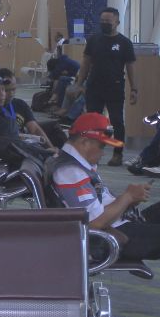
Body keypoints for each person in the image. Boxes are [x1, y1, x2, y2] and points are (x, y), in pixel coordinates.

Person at [49, 112, 160, 261]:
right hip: (113, 234)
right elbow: (95, 223)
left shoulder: (78, 165)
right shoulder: (71, 172)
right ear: (84, 141)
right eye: (102, 146)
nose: (103, 153)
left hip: (119, 222)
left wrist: (130, 201)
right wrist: (128, 197)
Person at [77, 7, 136, 166]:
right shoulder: (94, 40)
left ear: (116, 22)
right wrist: (79, 83)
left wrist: (134, 89)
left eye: (108, 22)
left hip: (115, 88)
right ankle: (91, 152)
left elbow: (130, 66)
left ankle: (117, 154)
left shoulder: (124, 43)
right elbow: (86, 63)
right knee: (93, 123)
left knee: (117, 122)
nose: (104, 24)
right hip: (94, 86)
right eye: (102, 21)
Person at [0, 68, 61, 151]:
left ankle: (65, 157)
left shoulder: (19, 104)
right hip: (11, 145)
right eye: (6, 90)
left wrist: (50, 148)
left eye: (13, 89)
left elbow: (34, 128)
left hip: (25, 138)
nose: (11, 94)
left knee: (53, 127)